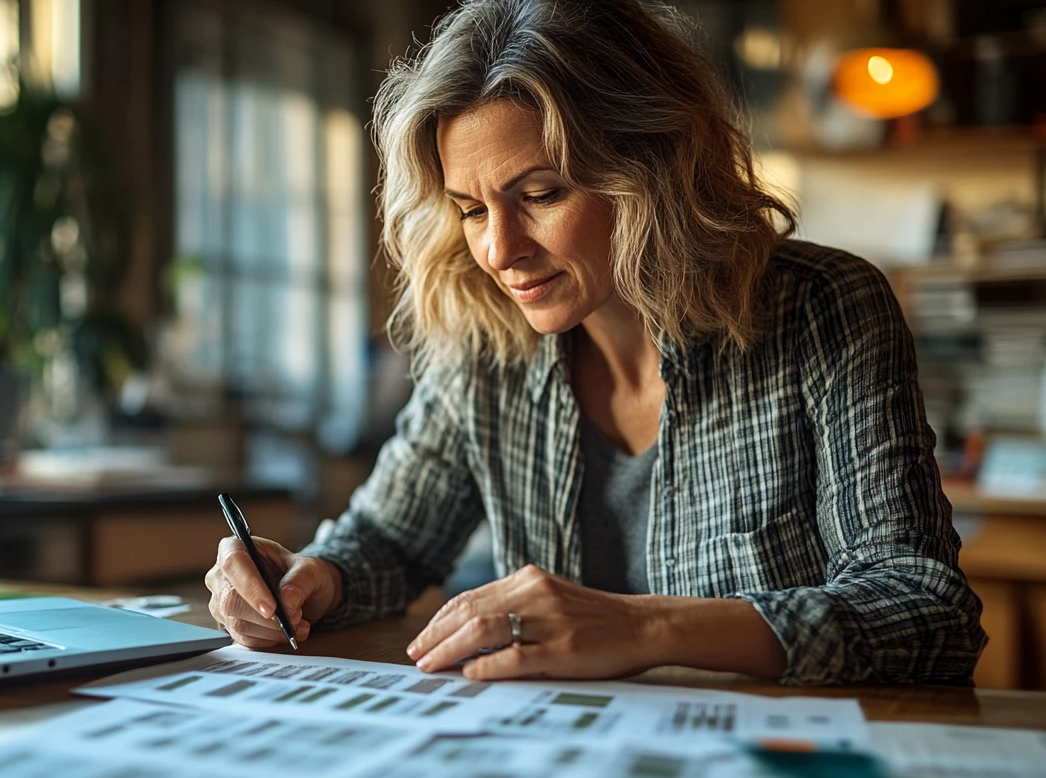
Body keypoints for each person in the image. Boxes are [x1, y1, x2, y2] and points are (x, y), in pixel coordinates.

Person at [204, 0, 986, 685]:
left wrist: (639, 627)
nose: (500, 250)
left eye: (539, 194)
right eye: (472, 209)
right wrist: (310, 581)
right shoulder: (486, 343)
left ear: (651, 171)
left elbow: (924, 609)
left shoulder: (826, 309)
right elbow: (390, 540)